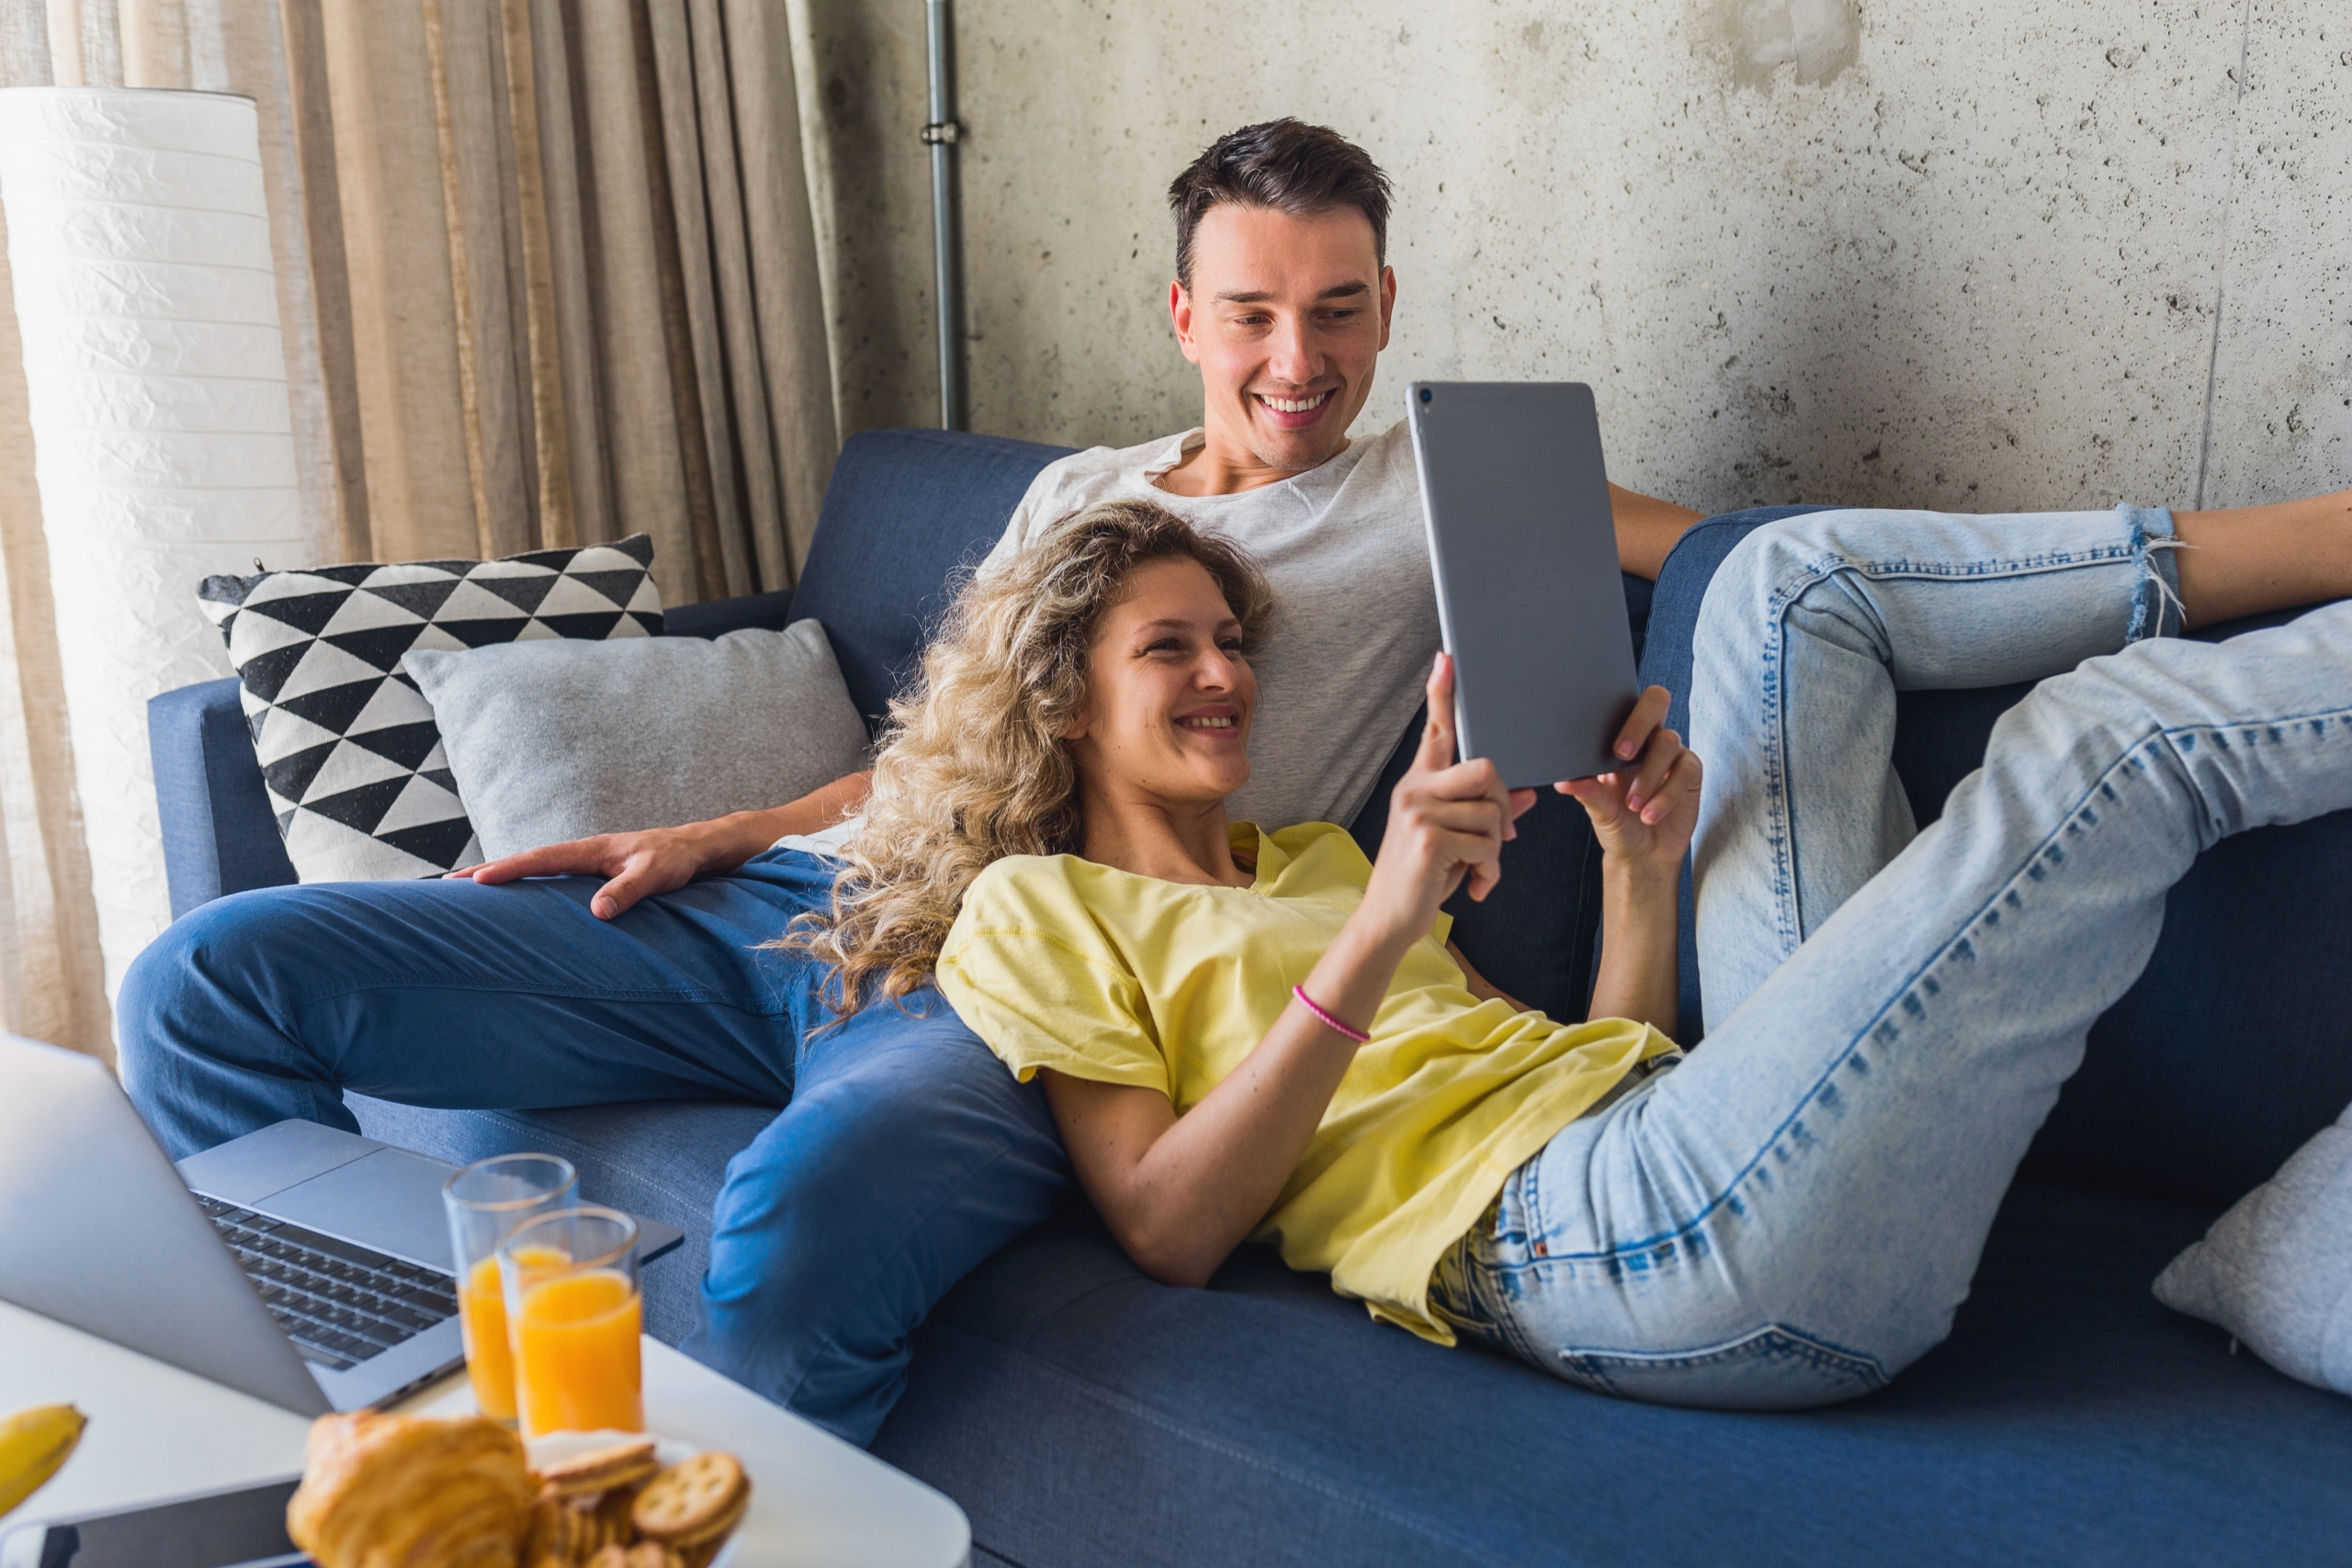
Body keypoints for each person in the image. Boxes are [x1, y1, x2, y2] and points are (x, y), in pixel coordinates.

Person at [121, 118, 1702, 1445]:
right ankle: (347, 1462)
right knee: (210, 979)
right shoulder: (1084, 496)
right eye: (1253, 314)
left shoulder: (1438, 484)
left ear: (1384, 305)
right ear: (1181, 313)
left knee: (800, 1235)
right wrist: (716, 836)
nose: (1300, 361)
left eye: (1339, 312)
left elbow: (1713, 549)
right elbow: (946, 748)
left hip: (1004, 988)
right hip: (800, 906)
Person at [812, 493, 2352, 1404]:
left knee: (1782, 584)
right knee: (2102, 747)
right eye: (1170, 649)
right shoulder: (1041, 910)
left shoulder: (1319, 858)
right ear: (1065, 701)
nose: (1225, 673)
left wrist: (1638, 868)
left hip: (1664, 1157)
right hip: (1595, 1259)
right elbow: (1167, 1228)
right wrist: (1381, 932)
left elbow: (1612, 1068)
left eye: (1230, 640)